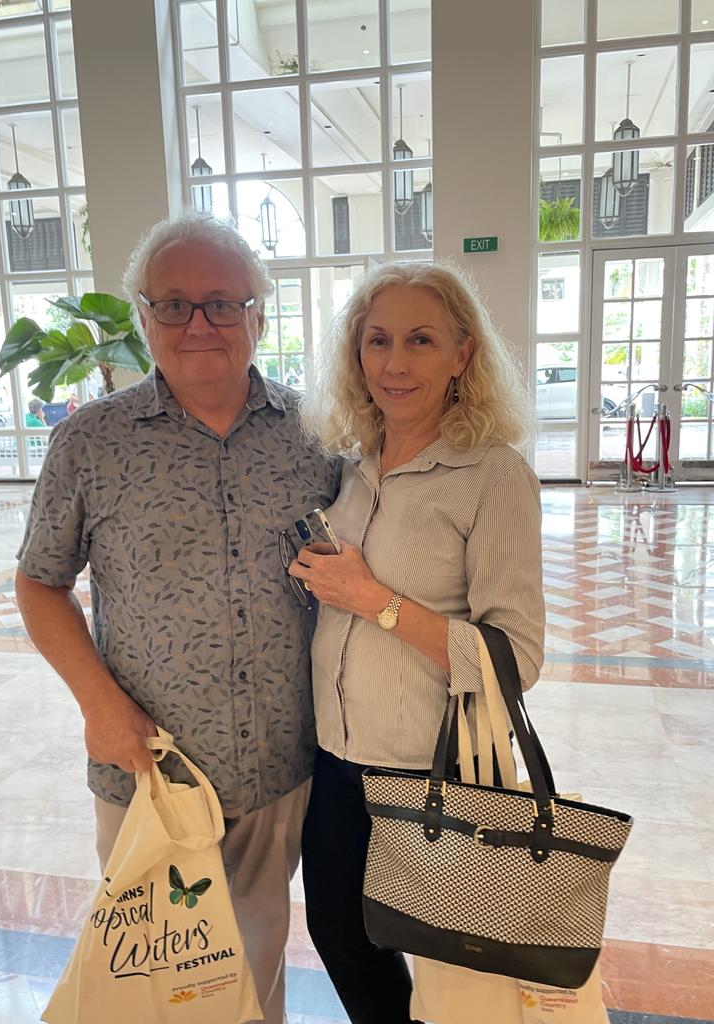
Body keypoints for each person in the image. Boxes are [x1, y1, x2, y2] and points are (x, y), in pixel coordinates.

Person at [14, 214, 339, 1024]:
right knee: (152, 989)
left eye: (224, 304)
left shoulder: (317, 439)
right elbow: (39, 583)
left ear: (259, 315)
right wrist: (98, 705)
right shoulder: (90, 443)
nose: (200, 324)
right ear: (143, 318)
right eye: (176, 305)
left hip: (276, 769)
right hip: (147, 771)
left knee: (254, 976)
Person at [288, 262, 545, 1024]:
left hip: (432, 771)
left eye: (421, 340)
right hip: (336, 762)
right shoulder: (355, 469)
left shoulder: (493, 476)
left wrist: (376, 601)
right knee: (339, 934)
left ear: (463, 354)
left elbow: (516, 657)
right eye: (378, 341)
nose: (395, 364)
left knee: (449, 970)